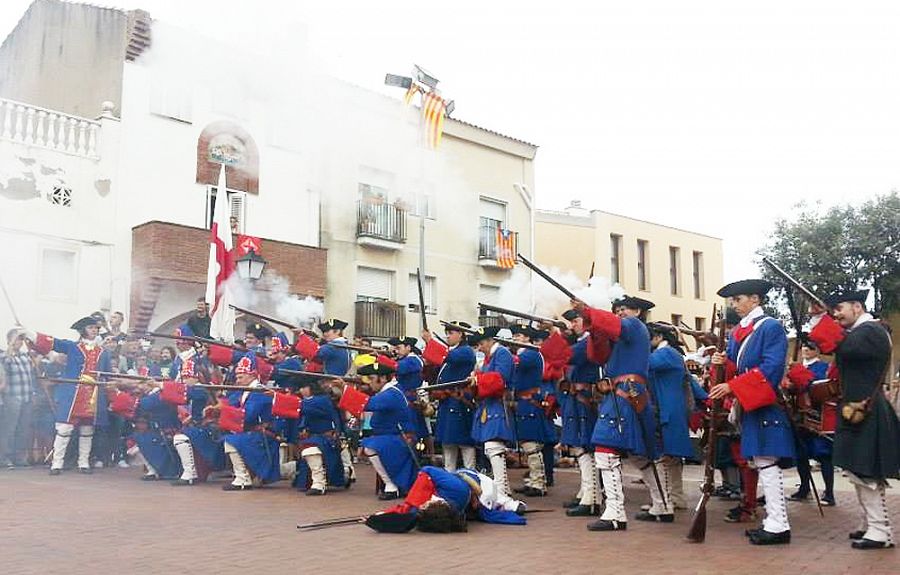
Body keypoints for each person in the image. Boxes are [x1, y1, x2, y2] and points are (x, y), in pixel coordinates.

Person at [809, 289, 899, 550]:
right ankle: (871, 525)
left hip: (865, 410)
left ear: (857, 307)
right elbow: (839, 346)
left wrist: (820, 320)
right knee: (859, 470)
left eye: (839, 309)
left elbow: (843, 347)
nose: (835, 314)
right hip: (859, 409)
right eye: (833, 309)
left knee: (866, 471)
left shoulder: (870, 331)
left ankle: (880, 531)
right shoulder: (864, 332)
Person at [709, 279, 793, 546]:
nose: (734, 305)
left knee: (768, 463)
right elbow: (736, 365)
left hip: (763, 401)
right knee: (761, 462)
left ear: (755, 300)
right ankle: (773, 521)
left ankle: (778, 524)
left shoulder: (770, 327)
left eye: (738, 299)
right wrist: (721, 363)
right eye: (733, 301)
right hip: (749, 401)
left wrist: (731, 385)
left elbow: (771, 369)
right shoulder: (740, 332)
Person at [575, 296, 667, 532]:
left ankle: (615, 512)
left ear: (637, 311)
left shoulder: (635, 325)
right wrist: (593, 325)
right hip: (626, 393)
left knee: (605, 449)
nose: (619, 313)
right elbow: (597, 355)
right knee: (641, 456)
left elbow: (615, 325)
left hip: (625, 393)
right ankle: (662, 505)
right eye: (616, 310)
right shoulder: (622, 337)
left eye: (623, 309)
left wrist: (589, 311)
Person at [31, 317, 113, 475]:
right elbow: (53, 343)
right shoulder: (72, 347)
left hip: (93, 397)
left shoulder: (104, 353)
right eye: (91, 328)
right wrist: (30, 335)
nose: (94, 330)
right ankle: (57, 464)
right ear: (83, 330)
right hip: (73, 394)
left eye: (96, 328)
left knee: (87, 430)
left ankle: (83, 462)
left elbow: (107, 374)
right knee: (64, 429)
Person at [365, 465, 527, 533]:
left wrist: (380, 515)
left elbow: (427, 471)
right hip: (475, 484)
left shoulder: (448, 501)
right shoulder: (455, 490)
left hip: (476, 487)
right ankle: (511, 504)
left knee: (490, 498)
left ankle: (510, 504)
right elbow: (426, 471)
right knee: (490, 498)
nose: (424, 503)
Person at [339, 358, 417, 499]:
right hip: (391, 436)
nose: (368, 382)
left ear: (382, 378)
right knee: (371, 444)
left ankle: (391, 486)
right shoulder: (391, 390)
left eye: (371, 378)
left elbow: (369, 404)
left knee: (370, 446)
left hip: (400, 438)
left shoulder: (392, 393)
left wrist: (345, 390)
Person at [646, 322, 696, 511]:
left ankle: (667, 500)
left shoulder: (666, 353)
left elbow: (645, 363)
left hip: (668, 410)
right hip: (670, 409)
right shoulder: (673, 354)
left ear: (659, 337)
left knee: (665, 457)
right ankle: (675, 497)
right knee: (672, 459)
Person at [559, 309, 602, 517]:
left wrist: (557, 337)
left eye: (575, 321)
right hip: (578, 398)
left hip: (585, 399)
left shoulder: (588, 341)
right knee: (580, 447)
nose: (572, 325)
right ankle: (587, 493)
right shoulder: (582, 340)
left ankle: (592, 498)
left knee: (585, 448)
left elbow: (568, 356)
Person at [783, 341, 836, 506]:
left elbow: (821, 386)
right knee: (801, 454)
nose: (806, 349)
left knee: (824, 454)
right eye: (804, 347)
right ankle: (804, 488)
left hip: (818, 416)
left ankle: (829, 493)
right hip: (799, 414)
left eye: (810, 347)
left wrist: (800, 376)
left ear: (818, 350)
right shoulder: (795, 366)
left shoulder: (823, 367)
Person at [220, 354, 281, 490]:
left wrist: (224, 409)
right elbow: (231, 403)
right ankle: (243, 475)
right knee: (229, 439)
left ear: (252, 375)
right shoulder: (244, 390)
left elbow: (249, 415)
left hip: (263, 435)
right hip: (252, 433)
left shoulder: (260, 391)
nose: (237, 380)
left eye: (241, 377)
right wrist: (218, 407)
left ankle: (243, 478)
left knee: (230, 441)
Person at [422, 322, 477, 471]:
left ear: (461, 334)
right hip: (448, 402)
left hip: (459, 402)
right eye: (447, 333)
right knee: (448, 442)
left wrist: (430, 342)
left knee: (464, 442)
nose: (448, 336)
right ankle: (449, 475)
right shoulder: (454, 351)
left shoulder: (465, 351)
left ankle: (470, 474)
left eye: (451, 333)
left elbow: (447, 356)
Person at [469, 326, 516, 499]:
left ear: (490, 340)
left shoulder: (502, 353)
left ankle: (502, 491)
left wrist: (478, 379)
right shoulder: (490, 358)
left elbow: (499, 379)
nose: (479, 348)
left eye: (481, 343)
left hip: (498, 405)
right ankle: (503, 490)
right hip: (489, 405)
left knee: (494, 447)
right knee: (491, 448)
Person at [509, 324, 552, 497]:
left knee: (532, 445)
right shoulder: (524, 354)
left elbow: (513, 363)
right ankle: (534, 480)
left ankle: (539, 482)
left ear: (527, 337)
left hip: (530, 402)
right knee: (528, 444)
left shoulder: (531, 354)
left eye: (519, 335)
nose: (515, 338)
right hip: (523, 402)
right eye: (514, 335)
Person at [0, 328, 38, 467]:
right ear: (10, 340)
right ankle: (4, 457)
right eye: (17, 339)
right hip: (12, 396)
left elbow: (31, 376)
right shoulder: (4, 356)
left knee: (23, 429)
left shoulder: (25, 356)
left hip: (26, 396)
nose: (20, 342)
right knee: (9, 428)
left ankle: (19, 457)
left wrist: (33, 393)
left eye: (21, 339)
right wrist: (11, 342)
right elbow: (5, 363)